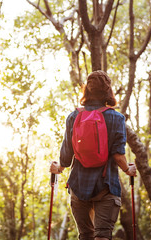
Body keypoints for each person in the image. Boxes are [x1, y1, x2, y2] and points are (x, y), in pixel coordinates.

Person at [50, 70, 137, 240]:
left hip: (78, 185)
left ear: (86, 90)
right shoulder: (117, 118)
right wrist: (128, 170)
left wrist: (58, 168)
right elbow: (118, 156)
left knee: (85, 235)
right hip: (106, 185)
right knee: (102, 236)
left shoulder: (74, 116)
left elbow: (66, 155)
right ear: (108, 91)